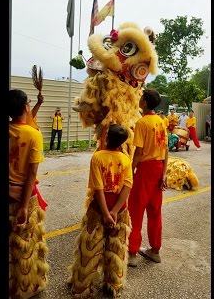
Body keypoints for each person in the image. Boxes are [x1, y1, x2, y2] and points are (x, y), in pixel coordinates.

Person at [67, 124, 133, 298]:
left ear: (106, 138)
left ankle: (83, 287)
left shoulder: (97, 157)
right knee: (116, 249)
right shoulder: (126, 160)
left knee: (89, 247)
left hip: (98, 209)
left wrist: (105, 213)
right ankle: (113, 284)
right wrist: (115, 211)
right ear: (122, 143)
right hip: (120, 210)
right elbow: (127, 187)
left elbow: (98, 188)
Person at [8, 89, 49, 298]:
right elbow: (32, 173)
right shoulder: (34, 134)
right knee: (27, 243)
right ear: (26, 107)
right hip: (23, 197)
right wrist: (24, 206)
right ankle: (26, 287)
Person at [128, 89, 169, 267]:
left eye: (141, 98)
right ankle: (155, 250)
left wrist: (130, 170)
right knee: (155, 211)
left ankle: (132, 253)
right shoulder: (161, 121)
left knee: (135, 210)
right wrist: (165, 172)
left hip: (145, 169)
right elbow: (165, 149)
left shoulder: (142, 122)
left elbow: (138, 151)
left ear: (144, 103)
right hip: (159, 168)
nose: (139, 100)